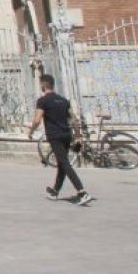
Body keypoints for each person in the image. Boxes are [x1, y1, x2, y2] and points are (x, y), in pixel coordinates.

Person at [28, 73, 95, 206]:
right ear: (52, 84)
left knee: (65, 163)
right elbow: (74, 119)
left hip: (55, 136)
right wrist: (78, 135)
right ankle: (55, 191)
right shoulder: (64, 100)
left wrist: (31, 131)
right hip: (66, 135)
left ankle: (82, 192)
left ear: (43, 85)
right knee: (62, 164)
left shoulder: (43, 101)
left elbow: (37, 119)